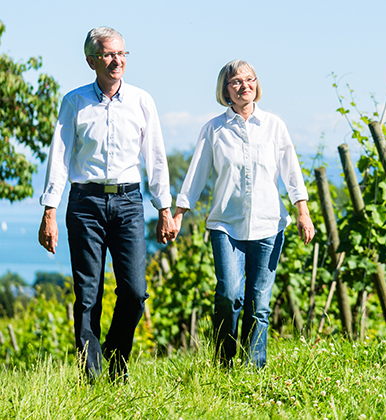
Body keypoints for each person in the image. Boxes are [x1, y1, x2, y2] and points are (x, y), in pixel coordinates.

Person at [38, 27, 174, 381]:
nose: (117, 61)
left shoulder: (142, 101)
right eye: (109, 55)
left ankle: (115, 359)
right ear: (91, 61)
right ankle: (93, 376)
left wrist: (164, 208)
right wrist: (49, 211)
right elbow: (60, 157)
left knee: (134, 291)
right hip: (85, 202)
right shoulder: (75, 101)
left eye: (122, 54)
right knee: (87, 292)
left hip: (129, 202)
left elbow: (156, 156)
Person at [171, 60, 315, 368]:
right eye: (236, 82)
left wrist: (302, 211)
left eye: (249, 80)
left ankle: (253, 368)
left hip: (269, 225)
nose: (244, 86)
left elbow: (292, 172)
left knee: (259, 303)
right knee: (229, 294)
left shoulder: (274, 126)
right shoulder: (214, 129)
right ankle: (224, 361)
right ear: (225, 89)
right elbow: (197, 173)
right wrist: (179, 212)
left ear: (257, 85)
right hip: (226, 225)